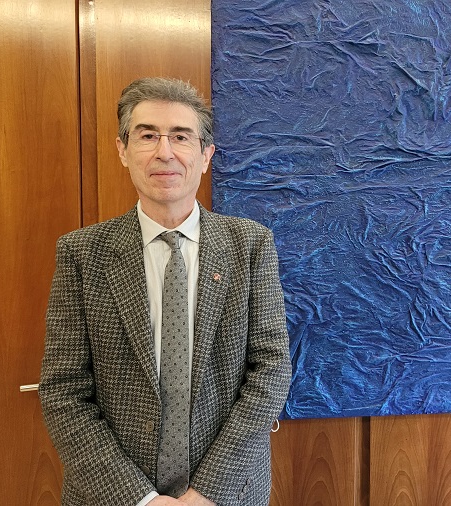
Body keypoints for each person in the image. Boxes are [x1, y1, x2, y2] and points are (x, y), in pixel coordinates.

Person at [40, 77, 292, 506]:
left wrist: (206, 493)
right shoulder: (82, 253)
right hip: (112, 494)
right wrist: (141, 499)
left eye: (180, 136)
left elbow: (270, 371)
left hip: (226, 492)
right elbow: (64, 390)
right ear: (122, 150)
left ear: (205, 155)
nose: (164, 152)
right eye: (147, 135)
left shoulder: (250, 245)